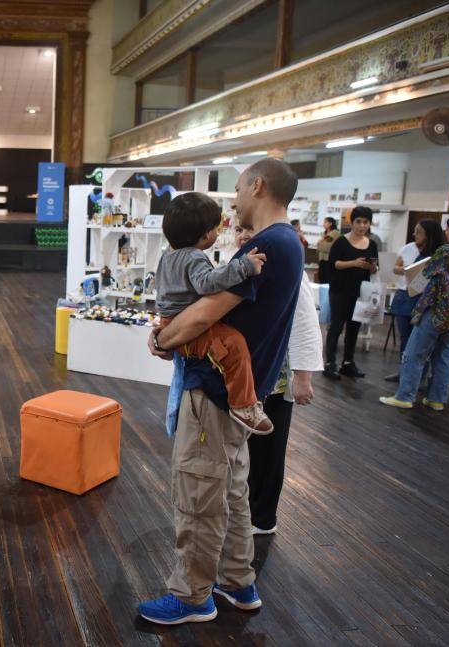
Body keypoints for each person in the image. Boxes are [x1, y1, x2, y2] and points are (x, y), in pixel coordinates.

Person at [138, 158, 303, 625]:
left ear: (258, 186)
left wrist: (161, 339)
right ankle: (237, 580)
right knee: (231, 490)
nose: (234, 201)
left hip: (212, 390)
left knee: (198, 492)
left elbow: (205, 312)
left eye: (237, 189)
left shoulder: (267, 245)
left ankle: (192, 596)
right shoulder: (290, 243)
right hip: (239, 394)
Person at [234, 221, 322, 535]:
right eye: (238, 230)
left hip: (276, 375)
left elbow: (305, 322)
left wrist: (303, 376)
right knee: (248, 448)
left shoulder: (289, 270)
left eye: (250, 230)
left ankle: (262, 517)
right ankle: (248, 510)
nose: (243, 236)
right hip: (253, 376)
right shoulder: (243, 268)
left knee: (268, 447)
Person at [154, 192, 271, 432]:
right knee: (234, 345)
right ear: (207, 234)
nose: (218, 234)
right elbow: (206, 283)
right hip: (186, 326)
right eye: (217, 229)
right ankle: (243, 405)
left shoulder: (168, 255)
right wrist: (242, 267)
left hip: (170, 322)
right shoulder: (195, 257)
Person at [380, 215, 449, 411]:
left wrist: (411, 288)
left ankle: (405, 396)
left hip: (436, 310)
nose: (446, 232)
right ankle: (437, 399)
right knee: (444, 355)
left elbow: (424, 276)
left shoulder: (445, 251)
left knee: (414, 353)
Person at [322, 206, 378, 380]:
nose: (362, 226)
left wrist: (371, 266)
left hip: (361, 291)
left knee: (354, 327)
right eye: (358, 222)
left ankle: (348, 362)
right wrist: (354, 262)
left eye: (365, 222)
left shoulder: (372, 244)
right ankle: (330, 362)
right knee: (337, 326)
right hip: (340, 289)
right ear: (352, 223)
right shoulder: (341, 241)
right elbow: (334, 264)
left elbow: (375, 267)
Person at [385, 219, 444, 382]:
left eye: (418, 231)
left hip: (423, 299)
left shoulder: (438, 254)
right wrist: (408, 270)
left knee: (419, 340)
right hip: (405, 294)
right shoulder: (408, 248)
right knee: (404, 336)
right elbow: (395, 267)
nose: (414, 234)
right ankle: (403, 371)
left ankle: (418, 374)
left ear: (428, 235)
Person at [315, 216, 340, 284]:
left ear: (330, 223)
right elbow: (320, 245)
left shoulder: (334, 233)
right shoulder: (325, 233)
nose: (323, 224)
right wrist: (320, 243)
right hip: (322, 259)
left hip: (329, 260)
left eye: (325, 222)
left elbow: (327, 247)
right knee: (321, 277)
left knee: (327, 279)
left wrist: (319, 243)